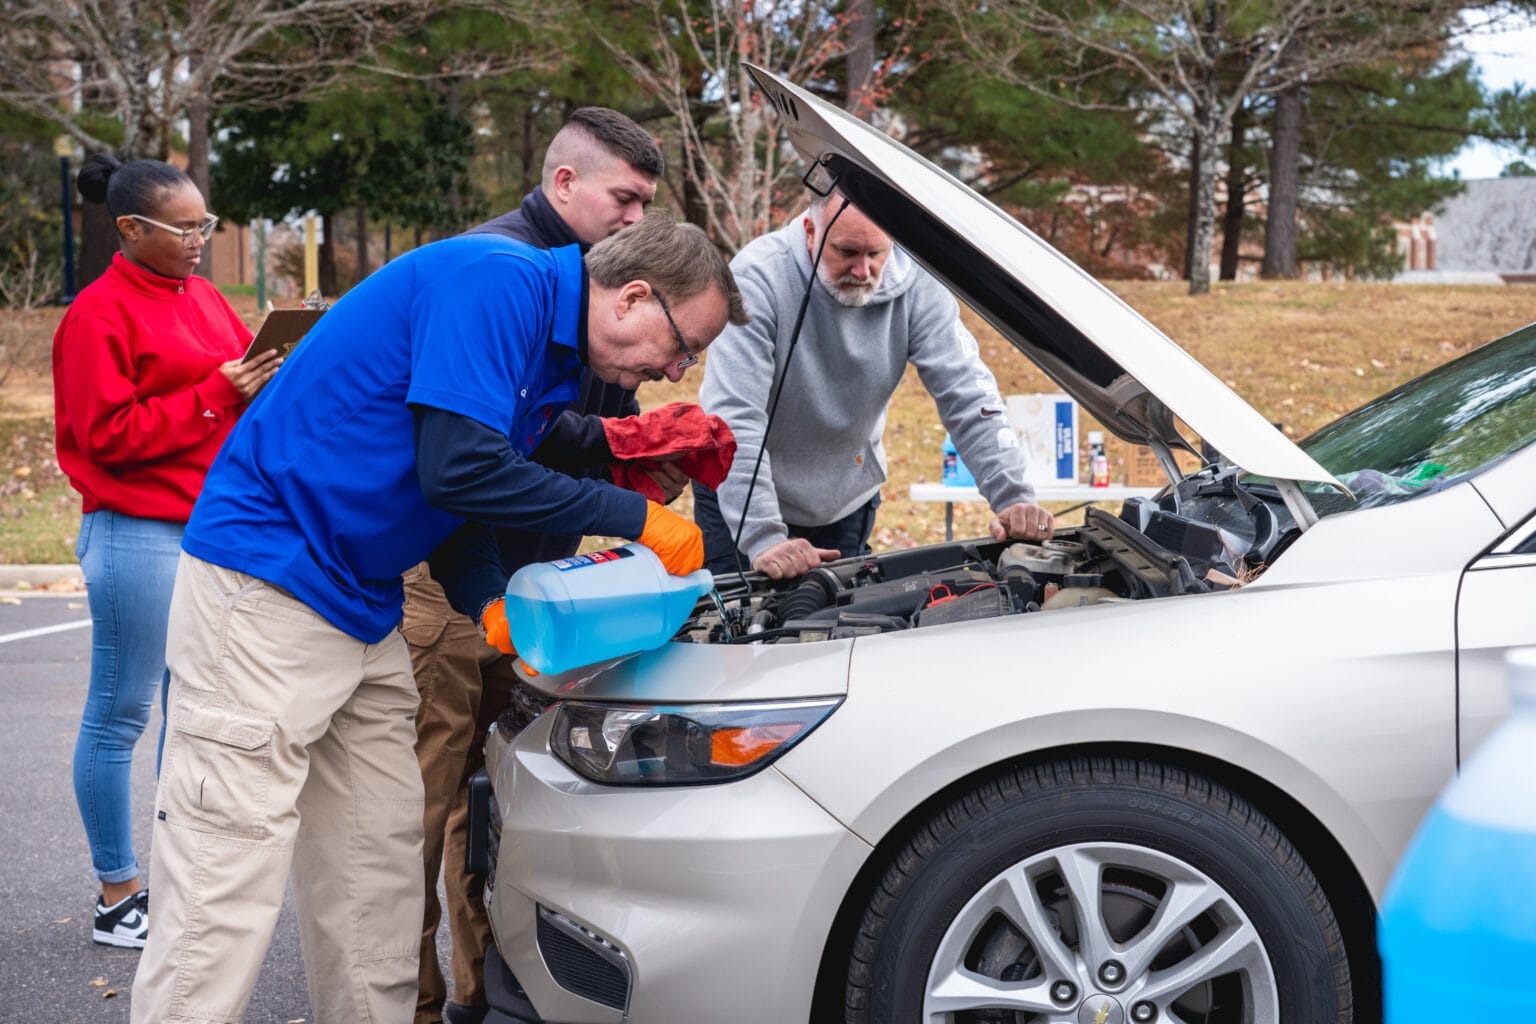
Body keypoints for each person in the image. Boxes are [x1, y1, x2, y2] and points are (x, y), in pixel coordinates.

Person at [129, 210, 748, 1024]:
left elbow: (446, 489)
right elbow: (460, 468)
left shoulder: (548, 346)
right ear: (633, 297)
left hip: (363, 600)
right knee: (224, 867)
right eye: (684, 346)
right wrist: (636, 521)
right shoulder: (495, 281)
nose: (676, 371)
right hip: (267, 585)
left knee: (374, 869)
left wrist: (485, 599)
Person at [407, 106, 675, 1024]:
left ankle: (480, 1000)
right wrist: (621, 488)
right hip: (447, 578)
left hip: (528, 583)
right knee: (424, 805)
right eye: (624, 198)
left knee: (499, 806)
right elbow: (477, 455)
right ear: (565, 185)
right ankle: (410, 999)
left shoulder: (594, 283)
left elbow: (545, 431)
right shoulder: (495, 272)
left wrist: (624, 446)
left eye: (648, 204)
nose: (636, 219)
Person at [52, 155, 280, 951]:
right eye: (184, 228)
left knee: (196, 717)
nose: (199, 240)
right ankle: (120, 894)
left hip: (213, 530)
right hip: (136, 530)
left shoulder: (207, 296)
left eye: (204, 225)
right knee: (122, 714)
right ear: (129, 230)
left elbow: (237, 399)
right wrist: (219, 391)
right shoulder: (96, 314)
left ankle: (186, 881)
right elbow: (103, 438)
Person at [694, 191, 1056, 579]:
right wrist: (763, 537)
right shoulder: (758, 276)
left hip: (845, 498)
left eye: (876, 254)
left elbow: (968, 395)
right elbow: (735, 418)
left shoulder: (919, 284)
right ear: (811, 231)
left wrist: (1014, 498)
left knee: (836, 628)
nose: (863, 270)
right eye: (847, 251)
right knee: (738, 631)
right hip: (741, 499)